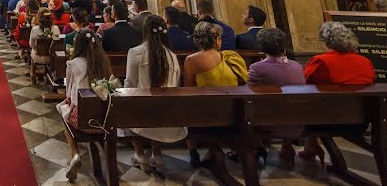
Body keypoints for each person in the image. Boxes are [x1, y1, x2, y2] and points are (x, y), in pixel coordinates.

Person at [300, 22, 375, 164]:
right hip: (361, 121)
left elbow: (306, 86)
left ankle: (308, 145)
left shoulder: (321, 62)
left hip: (326, 121)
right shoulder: (365, 61)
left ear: (325, 41)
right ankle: (310, 146)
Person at [125, 15, 186, 176]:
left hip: (142, 114)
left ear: (145, 31)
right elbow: (176, 84)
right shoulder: (172, 56)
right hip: (169, 113)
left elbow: (130, 84)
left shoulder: (136, 52)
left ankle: (139, 154)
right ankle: (156, 154)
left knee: (128, 104)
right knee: (157, 104)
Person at [182, 21, 248, 167]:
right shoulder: (232, 57)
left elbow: (190, 89)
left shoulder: (191, 60)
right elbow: (244, 82)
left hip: (208, 114)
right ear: (216, 39)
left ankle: (195, 152)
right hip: (234, 111)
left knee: (186, 109)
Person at [245, 27, 306, 165]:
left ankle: (255, 151)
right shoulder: (296, 66)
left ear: (262, 46)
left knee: (248, 112)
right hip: (298, 122)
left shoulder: (257, 68)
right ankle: (287, 146)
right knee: (285, 104)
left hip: (269, 123)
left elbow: (247, 91)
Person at [59, 29, 113, 180]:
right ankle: (107, 158)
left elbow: (69, 92)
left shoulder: (73, 63)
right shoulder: (103, 61)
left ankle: (75, 153)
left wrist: (69, 100)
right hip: (105, 117)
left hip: (83, 118)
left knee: (63, 112)